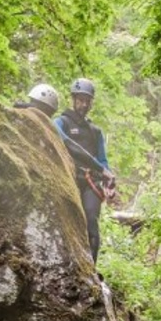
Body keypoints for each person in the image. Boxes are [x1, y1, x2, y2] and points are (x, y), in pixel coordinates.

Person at [54, 78, 115, 263]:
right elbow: (67, 144)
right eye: (80, 100)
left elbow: (103, 160)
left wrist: (109, 179)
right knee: (65, 220)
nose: (84, 104)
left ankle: (91, 269)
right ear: (73, 99)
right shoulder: (60, 122)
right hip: (68, 178)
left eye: (87, 101)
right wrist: (100, 168)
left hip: (91, 182)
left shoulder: (95, 131)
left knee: (90, 219)